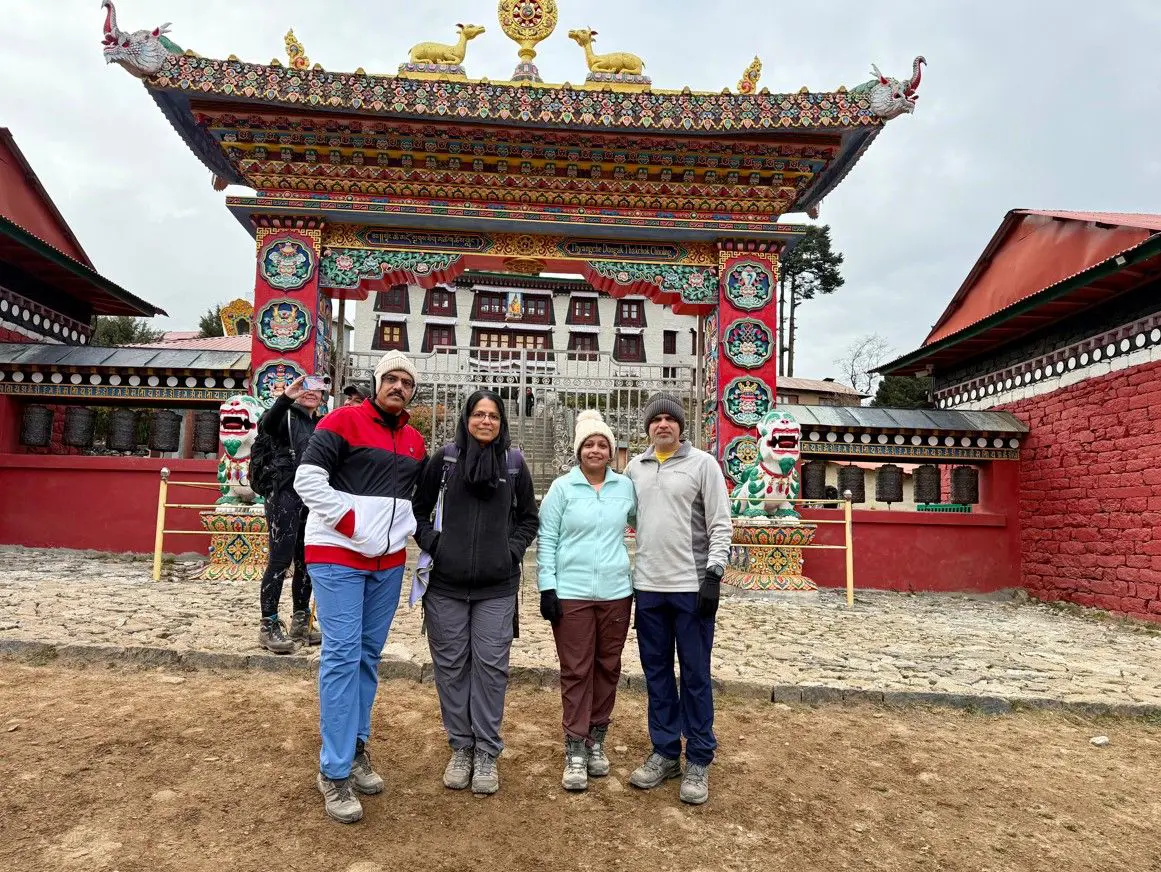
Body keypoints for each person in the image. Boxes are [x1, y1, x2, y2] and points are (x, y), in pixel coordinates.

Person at [294, 350, 427, 824]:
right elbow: (307, 480)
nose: (397, 387)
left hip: (388, 562)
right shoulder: (341, 421)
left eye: (405, 381)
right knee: (341, 654)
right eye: (389, 378)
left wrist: (416, 540)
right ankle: (332, 770)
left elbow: (415, 501)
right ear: (376, 383)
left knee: (369, 656)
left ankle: (355, 748)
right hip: (337, 555)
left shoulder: (414, 440)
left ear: (412, 390)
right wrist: (351, 522)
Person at [412, 389, 539, 796]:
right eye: (479, 414)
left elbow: (528, 518)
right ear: (466, 418)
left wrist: (511, 551)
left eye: (494, 416)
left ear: (502, 423)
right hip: (445, 586)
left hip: (497, 588)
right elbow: (417, 509)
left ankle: (486, 750)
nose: (486, 421)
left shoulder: (514, 464)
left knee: (490, 669)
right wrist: (435, 543)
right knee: (450, 667)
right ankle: (461, 746)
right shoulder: (445, 460)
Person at [623, 393, 731, 805]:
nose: (663, 425)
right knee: (657, 675)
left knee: (696, 674)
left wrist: (714, 575)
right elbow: (631, 517)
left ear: (681, 426)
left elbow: (721, 522)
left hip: (691, 588)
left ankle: (699, 756)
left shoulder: (703, 465)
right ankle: (666, 750)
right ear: (647, 427)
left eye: (670, 419)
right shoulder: (634, 467)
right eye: (656, 419)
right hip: (649, 588)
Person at [537, 410, 635, 791]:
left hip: (615, 593)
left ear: (611, 451)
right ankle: (574, 745)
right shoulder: (563, 488)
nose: (596, 450)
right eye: (589, 444)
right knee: (576, 669)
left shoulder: (624, 488)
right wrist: (548, 586)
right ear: (579, 451)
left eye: (603, 444)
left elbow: (646, 522)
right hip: (572, 594)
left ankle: (597, 738)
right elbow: (547, 539)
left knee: (608, 667)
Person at [257, 374, 324, 654]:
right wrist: (286, 397)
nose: (311, 393)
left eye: (318, 388)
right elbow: (266, 425)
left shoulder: (322, 423)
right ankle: (269, 623)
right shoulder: (284, 416)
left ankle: (300, 619)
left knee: (306, 559)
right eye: (306, 387)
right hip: (283, 491)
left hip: (312, 495)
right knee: (281, 559)